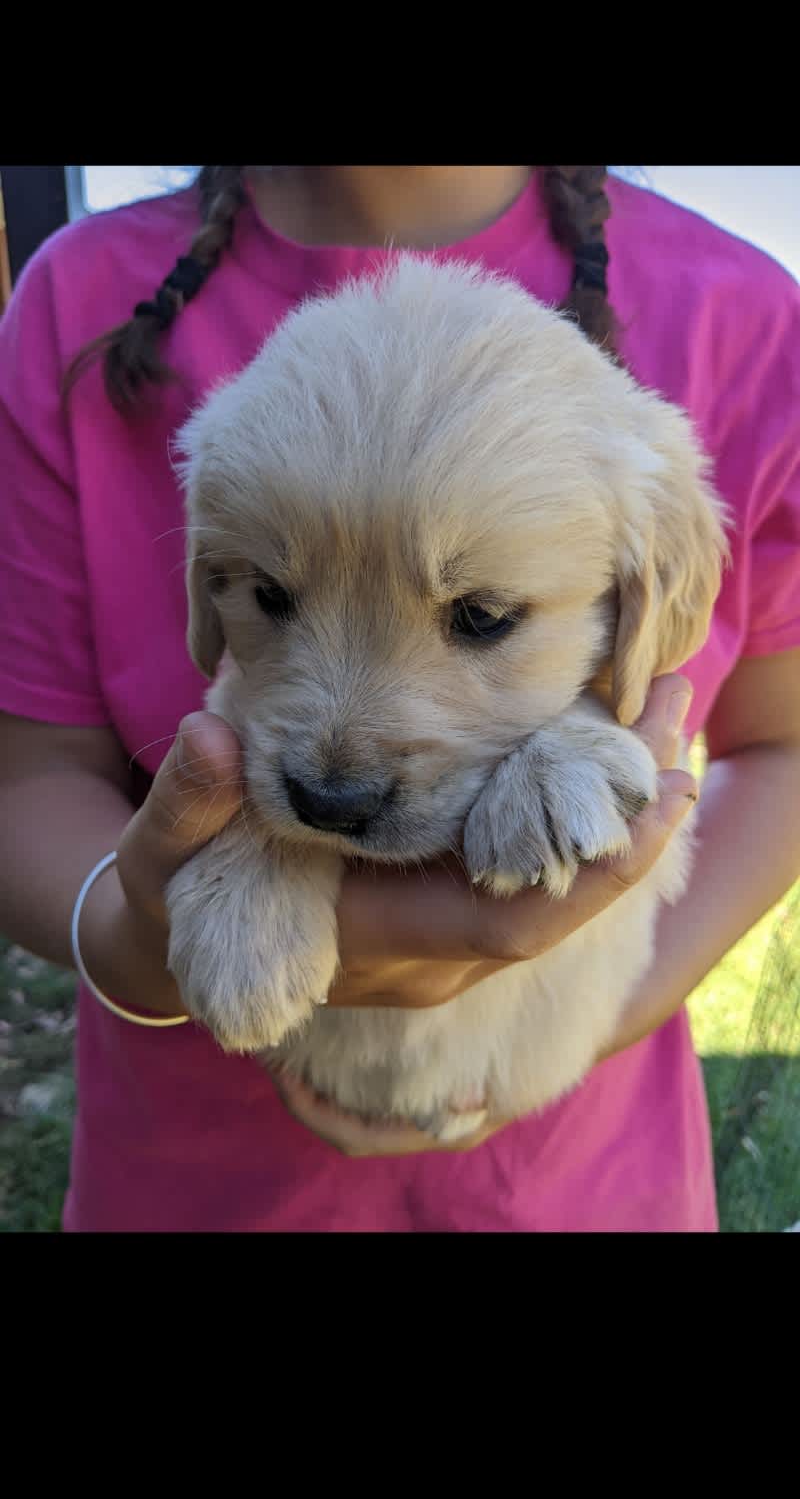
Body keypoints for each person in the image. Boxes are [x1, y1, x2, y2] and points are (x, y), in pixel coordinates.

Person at [0, 165, 798, 1233]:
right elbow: (30, 778)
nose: (334, 765)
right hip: (197, 1182)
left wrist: (613, 1000)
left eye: (477, 618)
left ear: (646, 589)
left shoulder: (739, 318)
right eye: (271, 598)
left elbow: (781, 745)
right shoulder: (73, 300)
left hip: (584, 1181)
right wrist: (139, 930)